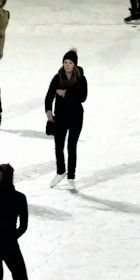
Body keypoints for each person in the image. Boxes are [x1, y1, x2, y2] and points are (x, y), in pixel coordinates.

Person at [45, 49, 88, 189]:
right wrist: (49, 112)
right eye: (65, 62)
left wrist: (65, 93)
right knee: (58, 146)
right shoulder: (57, 78)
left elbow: (82, 97)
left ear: (75, 64)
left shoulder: (81, 78)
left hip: (76, 117)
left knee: (71, 147)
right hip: (61, 117)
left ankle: (71, 177)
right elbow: (49, 96)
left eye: (70, 62)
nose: (67, 65)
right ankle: (60, 171)